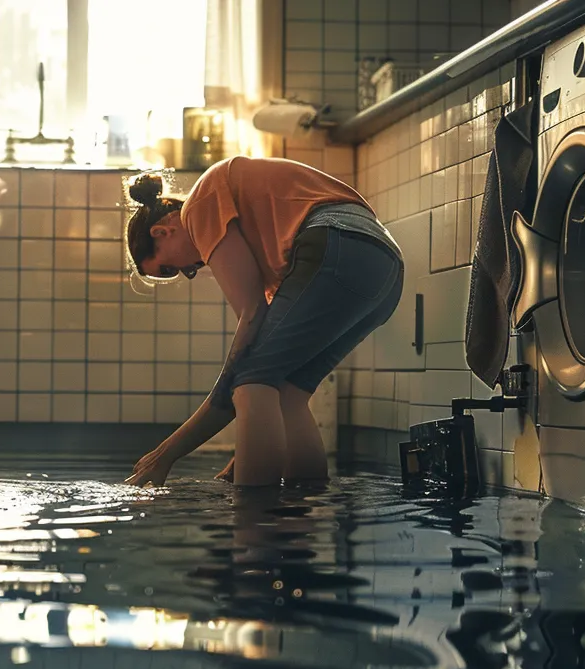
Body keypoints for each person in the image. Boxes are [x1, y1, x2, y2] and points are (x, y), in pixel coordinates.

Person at [123, 156, 403, 488]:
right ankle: (300, 510)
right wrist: (252, 446)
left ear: (162, 231)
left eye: (169, 269)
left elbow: (252, 315)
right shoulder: (264, 240)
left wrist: (167, 452)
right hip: (384, 269)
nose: (188, 272)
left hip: (340, 245)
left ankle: (254, 522)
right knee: (288, 392)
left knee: (251, 381)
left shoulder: (198, 206)